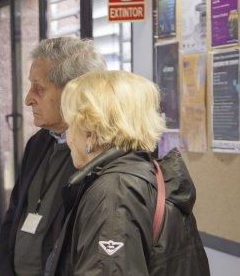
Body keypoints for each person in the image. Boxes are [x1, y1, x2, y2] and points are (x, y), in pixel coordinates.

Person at [45, 71, 209, 275]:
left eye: (69, 125)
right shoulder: (147, 173)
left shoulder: (114, 192)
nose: (67, 136)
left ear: (90, 134)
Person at [0, 37, 107, 276]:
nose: (28, 99)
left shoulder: (101, 155)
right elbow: (14, 213)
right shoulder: (38, 143)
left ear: (74, 91)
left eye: (39, 88)